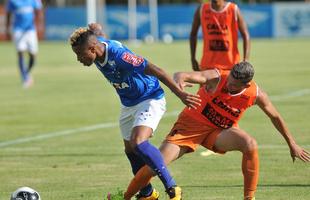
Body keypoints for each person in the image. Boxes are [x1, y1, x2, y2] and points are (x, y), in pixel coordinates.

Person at [124, 61, 310, 200]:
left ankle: (249, 198)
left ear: (246, 86)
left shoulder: (255, 95)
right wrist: (179, 83)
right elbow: (181, 74)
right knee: (153, 167)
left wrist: (292, 144)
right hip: (189, 128)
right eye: (229, 80)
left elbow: (275, 117)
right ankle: (126, 197)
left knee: (250, 144)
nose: (228, 85)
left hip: (218, 133)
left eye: (234, 85)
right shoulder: (217, 77)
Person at [69, 23, 201, 200]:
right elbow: (98, 36)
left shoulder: (120, 55)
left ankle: (172, 188)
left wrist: (181, 94)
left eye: (80, 54)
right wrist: (96, 29)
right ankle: (147, 193)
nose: (79, 59)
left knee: (138, 142)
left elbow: (157, 71)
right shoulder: (96, 45)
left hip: (150, 98)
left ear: (92, 48)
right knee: (130, 150)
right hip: (128, 103)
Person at [190, 0, 250, 71]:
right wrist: (193, 59)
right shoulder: (202, 9)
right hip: (208, 66)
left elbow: (245, 35)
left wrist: (245, 60)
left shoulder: (233, 9)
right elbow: (193, 34)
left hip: (231, 66)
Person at [5, 0, 43, 88]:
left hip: (30, 30)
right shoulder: (12, 1)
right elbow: (8, 14)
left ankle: (27, 73)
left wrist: (38, 23)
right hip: (18, 30)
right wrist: (7, 29)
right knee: (20, 52)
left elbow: (38, 10)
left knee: (33, 55)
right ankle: (25, 78)